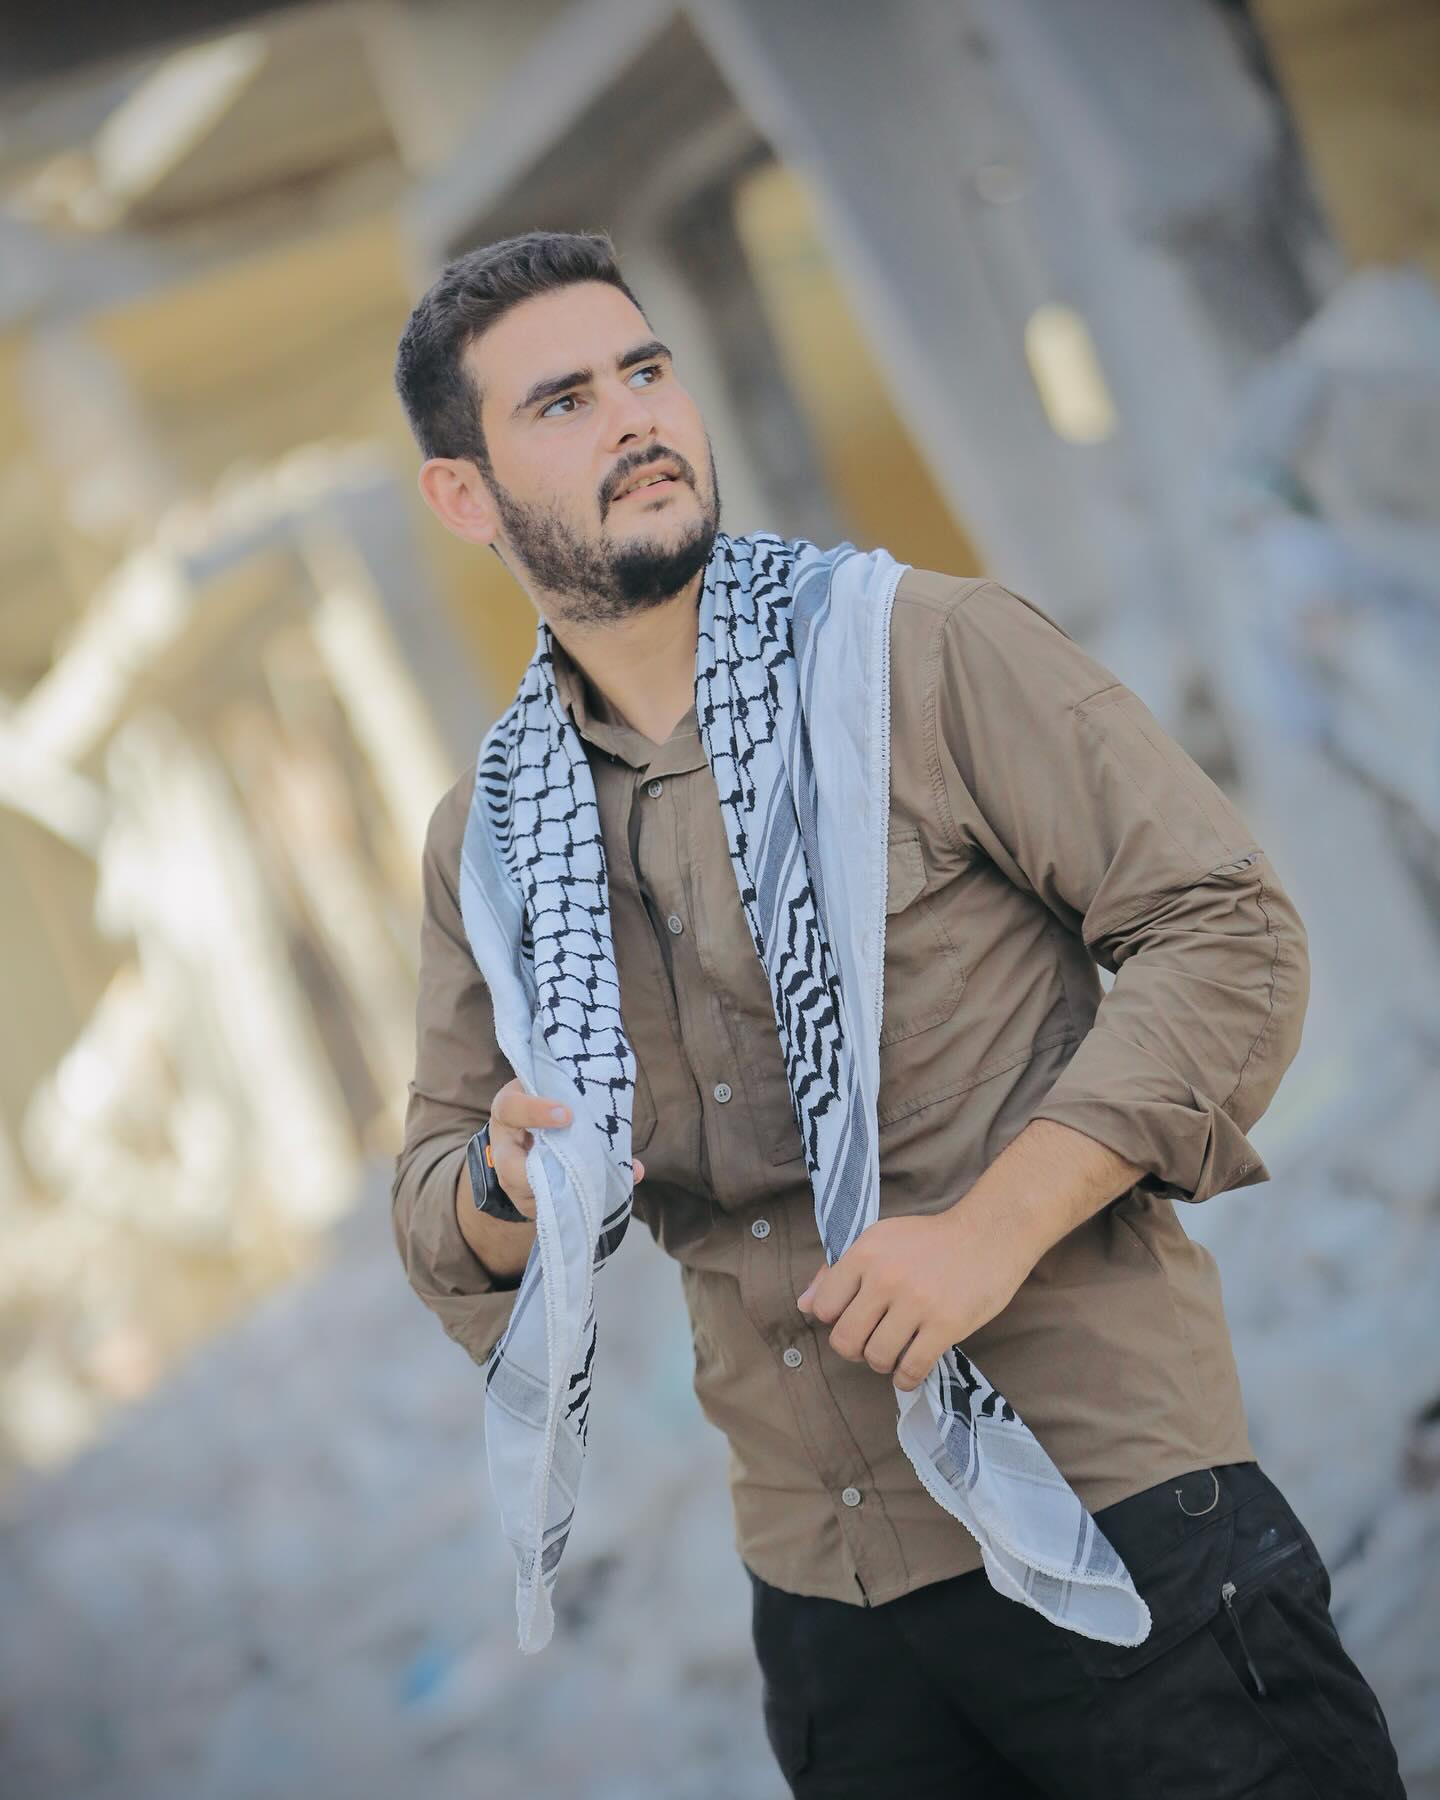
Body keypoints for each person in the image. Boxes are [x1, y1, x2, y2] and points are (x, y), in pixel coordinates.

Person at [389, 230, 1407, 1797]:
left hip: (1116, 1517)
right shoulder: (495, 838)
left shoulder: (922, 654)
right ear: (465, 496)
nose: (636, 417)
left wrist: (995, 1228)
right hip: (831, 1611)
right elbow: (437, 1191)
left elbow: (1229, 934)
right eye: (565, 402)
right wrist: (501, 1183)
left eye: (647, 371)